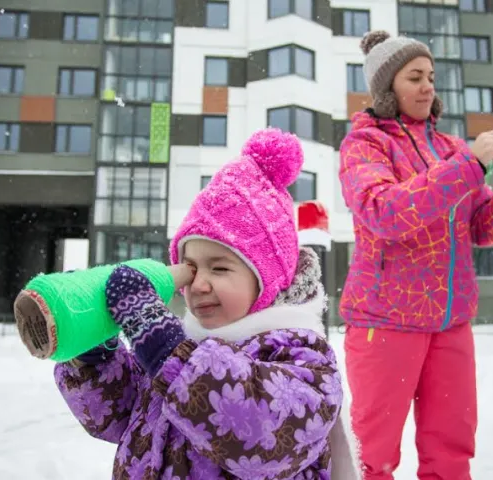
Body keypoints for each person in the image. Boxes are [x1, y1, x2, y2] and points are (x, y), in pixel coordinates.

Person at [54, 128, 360, 479]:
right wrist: (95, 352)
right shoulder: (182, 348)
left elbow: (261, 432)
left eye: (219, 267)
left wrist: (168, 353)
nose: (199, 284)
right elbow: (114, 414)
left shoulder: (302, 356)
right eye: (191, 268)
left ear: (268, 279)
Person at [338, 30, 493, 480]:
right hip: (386, 320)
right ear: (386, 87)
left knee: (452, 453)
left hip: (450, 322)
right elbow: (384, 212)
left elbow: (481, 227)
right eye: (415, 77)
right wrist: (469, 166)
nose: (428, 87)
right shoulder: (366, 144)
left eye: (430, 76)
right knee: (373, 457)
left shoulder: (450, 148)